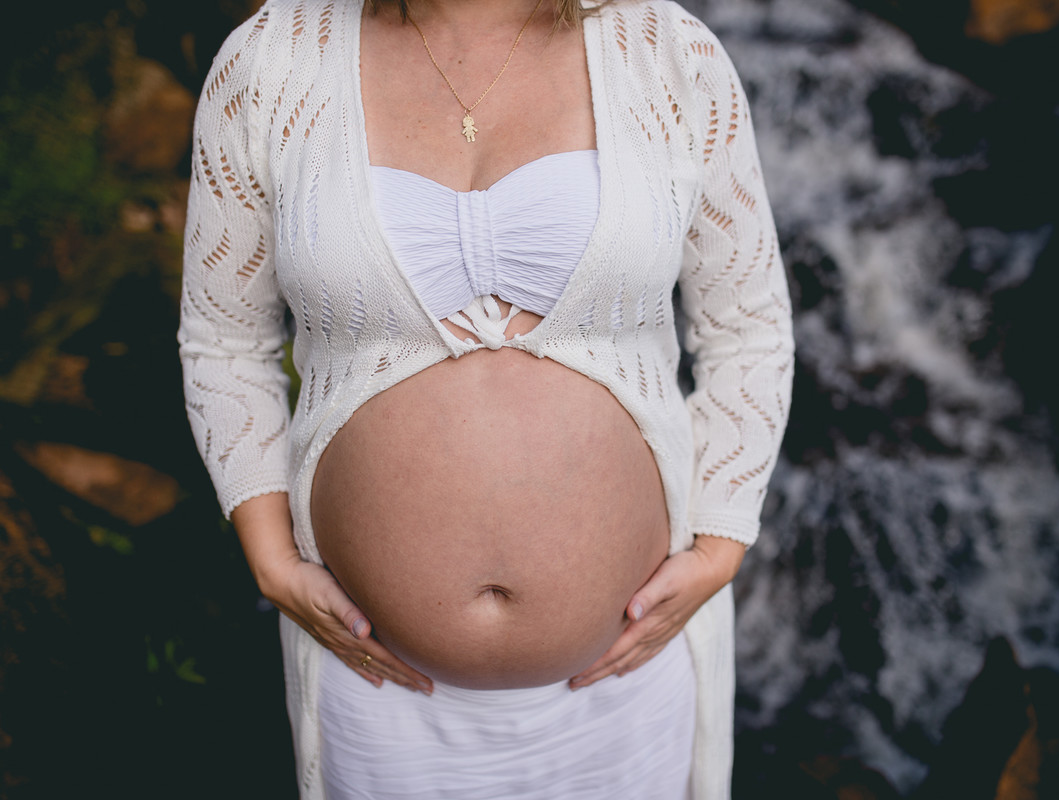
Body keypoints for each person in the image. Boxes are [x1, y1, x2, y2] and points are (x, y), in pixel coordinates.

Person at [177, 0, 793, 797]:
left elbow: (748, 327)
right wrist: (269, 555)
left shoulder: (667, 49)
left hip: (626, 685)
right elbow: (223, 341)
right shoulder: (270, 59)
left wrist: (719, 544)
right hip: (382, 697)